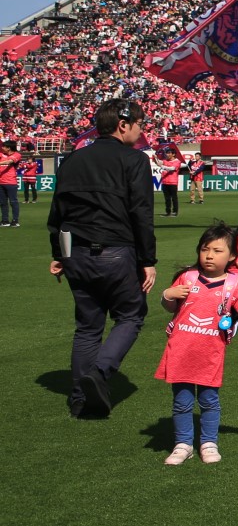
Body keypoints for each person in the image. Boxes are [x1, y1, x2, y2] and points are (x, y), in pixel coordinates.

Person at [48, 98, 158, 419]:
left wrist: (58, 254)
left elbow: (58, 213)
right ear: (123, 125)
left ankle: (80, 400)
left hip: (76, 255)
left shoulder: (72, 160)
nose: (141, 131)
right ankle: (99, 372)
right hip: (115, 251)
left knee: (87, 326)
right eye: (139, 124)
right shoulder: (134, 160)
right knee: (131, 315)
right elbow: (141, 213)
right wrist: (147, 259)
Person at [154, 222, 238, 465]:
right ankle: (183, 444)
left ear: (232, 256)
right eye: (205, 249)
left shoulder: (235, 285)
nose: (209, 255)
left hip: (210, 354)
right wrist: (167, 295)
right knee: (182, 401)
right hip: (180, 351)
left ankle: (208, 443)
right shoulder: (187, 277)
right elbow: (171, 307)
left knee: (209, 400)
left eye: (217, 251)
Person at [156, 148, 183, 217]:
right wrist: (155, 158)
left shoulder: (177, 161)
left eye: (169, 153)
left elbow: (172, 168)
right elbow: (159, 162)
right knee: (167, 199)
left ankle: (175, 212)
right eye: (167, 153)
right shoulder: (165, 161)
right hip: (165, 182)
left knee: (174, 198)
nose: (167, 154)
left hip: (172, 182)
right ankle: (168, 212)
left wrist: (162, 166)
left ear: (173, 154)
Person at [0, 139, 20, 227]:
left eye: (4, 146)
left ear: (9, 148)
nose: (2, 148)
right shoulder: (2, 155)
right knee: (3, 202)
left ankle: (15, 220)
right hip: (1, 182)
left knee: (13, 202)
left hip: (11, 182)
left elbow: (9, 161)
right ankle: (5, 220)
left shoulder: (17, 155)